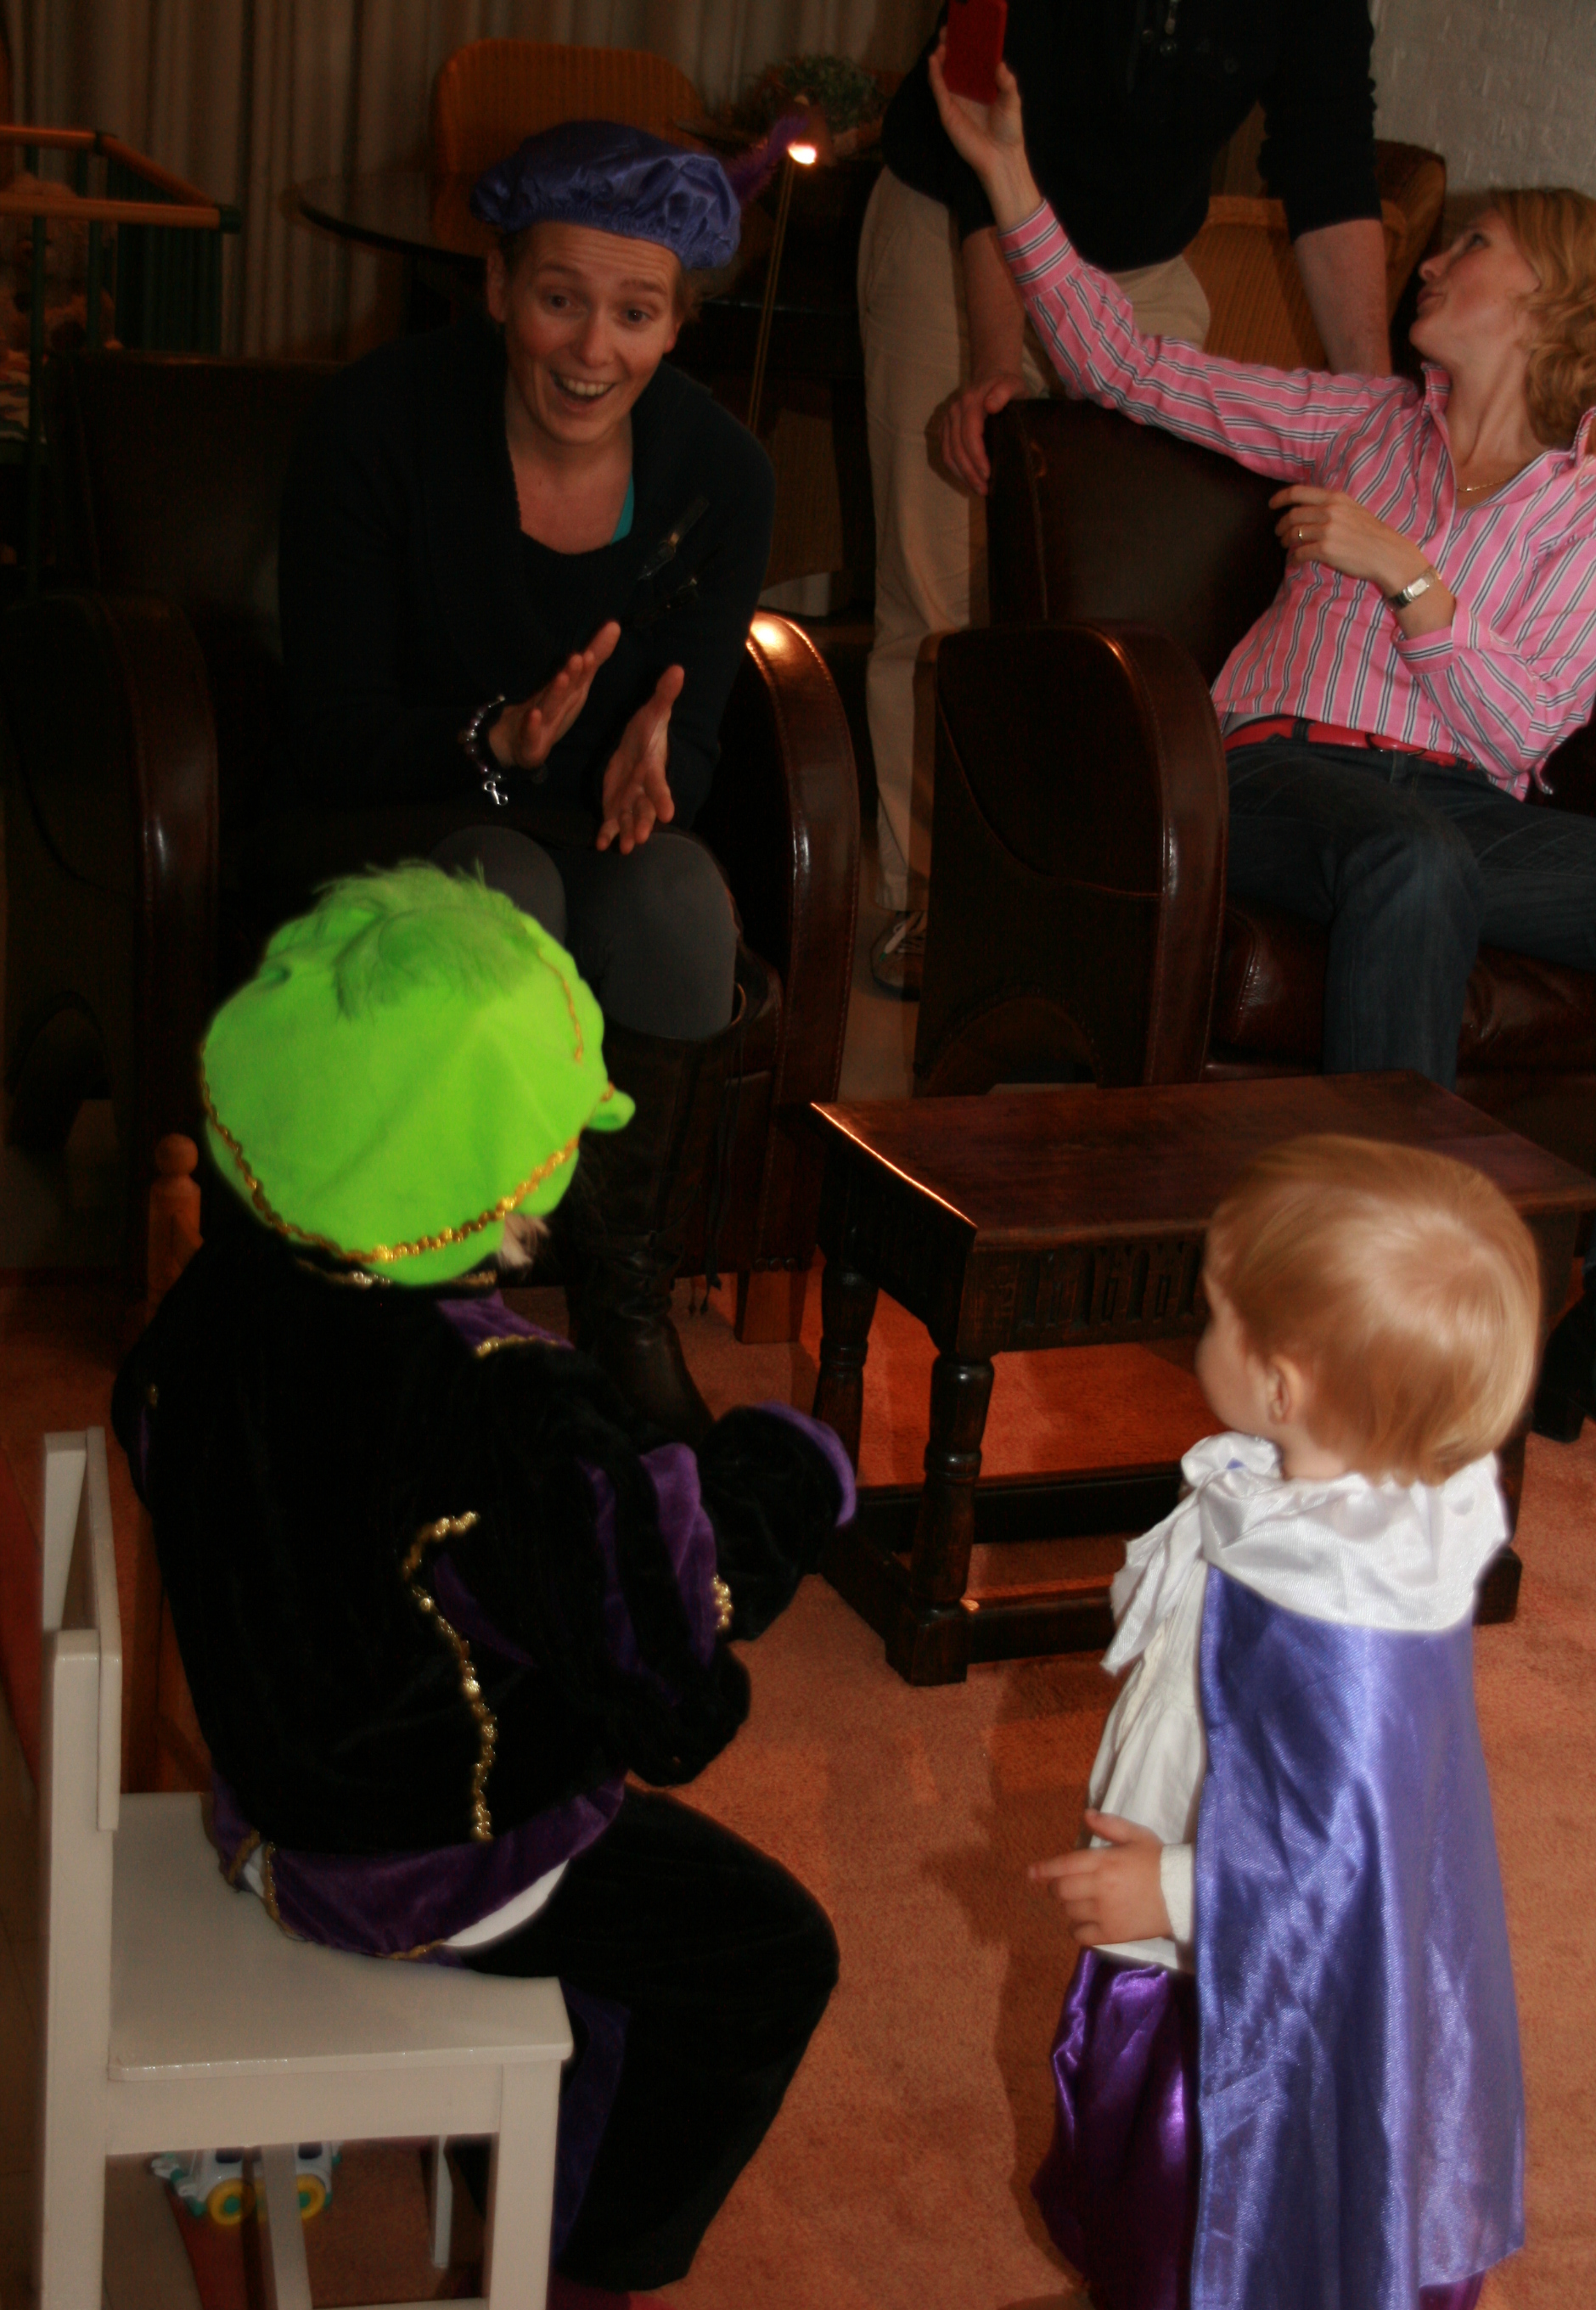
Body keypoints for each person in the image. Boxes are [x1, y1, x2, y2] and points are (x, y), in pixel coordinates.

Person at [112, 865, 854, 2310]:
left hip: (265, 1797)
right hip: (426, 1855)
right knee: (767, 1951)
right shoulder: (508, 1411)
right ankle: (581, 2292)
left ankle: (515, 2157)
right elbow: (675, 1698)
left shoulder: (218, 1294)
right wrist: (776, 1490)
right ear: (491, 1180)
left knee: (625, 1918)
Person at [975, 1133, 1536, 2310]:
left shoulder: (1345, 1618)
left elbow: (1336, 1858)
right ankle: (1136, 2301)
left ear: (1281, 1383)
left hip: (1253, 1982)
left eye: (1215, 1311)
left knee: (1197, 2169)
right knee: (1125, 2147)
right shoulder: (1334, 1511)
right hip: (1213, 1884)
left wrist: (1175, 1890)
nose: (1200, 1329)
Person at [925, 48, 1596, 1093]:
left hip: (1465, 804)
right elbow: (1121, 365)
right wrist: (1006, 171)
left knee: (1427, 857)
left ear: (1550, 295)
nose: (1429, 262)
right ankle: (1374, 1193)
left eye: (1471, 243)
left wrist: (1404, 573)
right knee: (1411, 858)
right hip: (1276, 771)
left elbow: (1524, 731)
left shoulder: (1581, 509)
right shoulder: (1360, 421)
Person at [273, 121, 778, 1441]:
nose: (592, 349)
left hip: (578, 830)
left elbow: (690, 744)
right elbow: (327, 730)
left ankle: (621, 1302)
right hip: (396, 808)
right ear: (499, 287)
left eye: (635, 313)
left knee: (681, 900)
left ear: (676, 325)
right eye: (560, 299)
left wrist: (656, 768)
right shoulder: (375, 425)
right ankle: (442, 1309)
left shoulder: (720, 476)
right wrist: (489, 745)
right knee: (502, 886)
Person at [862, 0, 1391, 991]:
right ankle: (934, 899)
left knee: (1133, 594)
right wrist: (993, 363)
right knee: (941, 593)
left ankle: (1083, 897)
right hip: (955, 226)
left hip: (1134, 269)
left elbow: (1326, 162)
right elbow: (976, 118)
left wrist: (1378, 408)